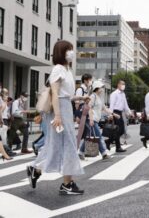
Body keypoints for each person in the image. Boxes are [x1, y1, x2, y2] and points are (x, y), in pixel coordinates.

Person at [27, 40, 85, 195]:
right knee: (69, 145)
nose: (72, 52)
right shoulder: (58, 69)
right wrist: (58, 116)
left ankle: (36, 169)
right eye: (69, 50)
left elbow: (65, 96)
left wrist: (79, 99)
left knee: (59, 145)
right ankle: (67, 184)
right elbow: (55, 94)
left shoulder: (67, 70)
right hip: (59, 111)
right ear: (62, 52)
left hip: (65, 108)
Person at [78, 80, 112, 160]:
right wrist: (91, 120)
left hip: (95, 119)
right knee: (98, 136)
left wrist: (112, 114)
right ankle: (104, 154)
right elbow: (89, 108)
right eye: (101, 87)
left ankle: (80, 152)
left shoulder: (99, 98)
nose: (102, 89)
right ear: (97, 88)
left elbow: (104, 108)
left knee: (89, 137)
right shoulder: (93, 96)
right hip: (91, 119)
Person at [107, 80, 129, 152]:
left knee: (121, 130)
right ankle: (118, 147)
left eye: (124, 84)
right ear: (118, 85)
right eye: (122, 84)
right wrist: (111, 114)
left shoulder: (123, 94)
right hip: (115, 113)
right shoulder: (114, 94)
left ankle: (108, 141)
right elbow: (111, 105)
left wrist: (128, 112)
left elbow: (125, 104)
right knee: (117, 130)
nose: (123, 85)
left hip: (120, 113)